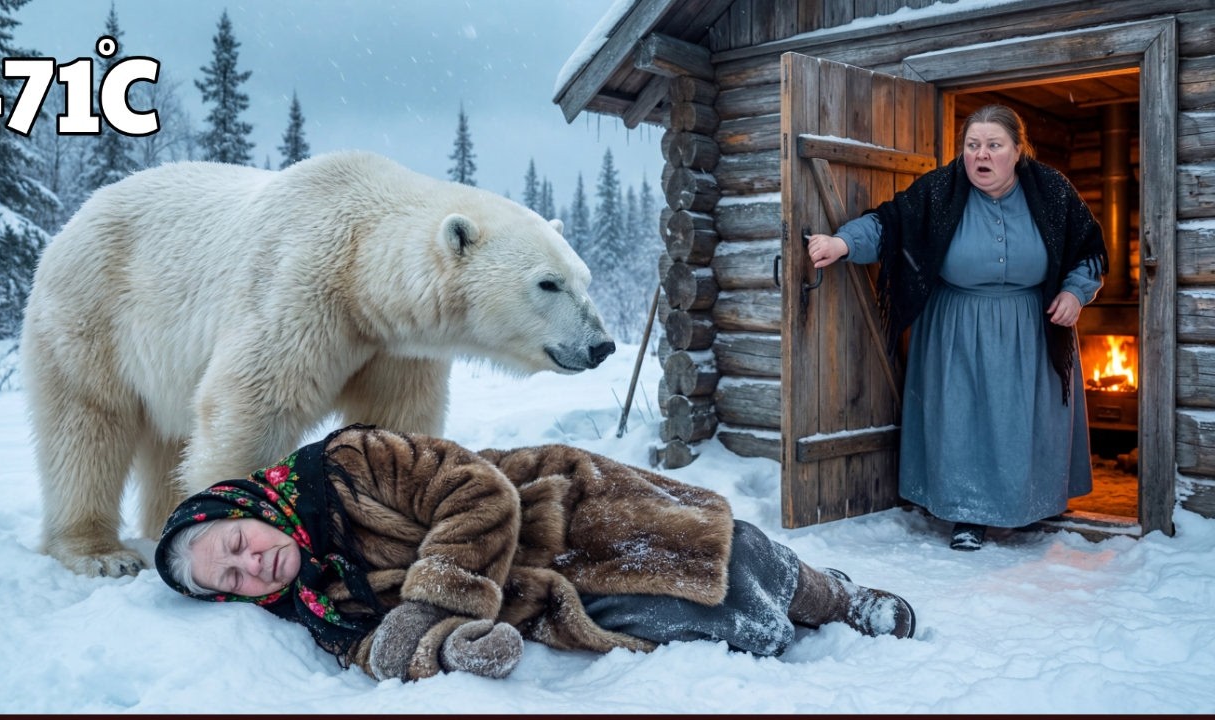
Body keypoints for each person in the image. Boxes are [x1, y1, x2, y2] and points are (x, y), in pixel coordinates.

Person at [155, 424, 916, 682]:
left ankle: (836, 596)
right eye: (231, 579)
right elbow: (376, 652)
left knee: (721, 550)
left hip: (556, 505)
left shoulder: (346, 463)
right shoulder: (318, 608)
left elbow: (473, 492)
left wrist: (427, 605)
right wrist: (451, 651)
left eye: (236, 545)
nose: (250, 565)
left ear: (245, 511)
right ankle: (784, 618)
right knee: (712, 620)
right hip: (537, 594)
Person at [806, 104, 1107, 551]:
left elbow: (1088, 250)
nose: (980, 155)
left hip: (1031, 326)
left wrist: (1074, 293)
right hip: (957, 330)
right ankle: (966, 514)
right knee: (962, 420)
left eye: (993, 145)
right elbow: (890, 227)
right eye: (972, 145)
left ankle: (1031, 502)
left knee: (1024, 421)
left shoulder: (1052, 191)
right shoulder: (940, 192)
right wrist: (841, 242)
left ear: (1017, 150)